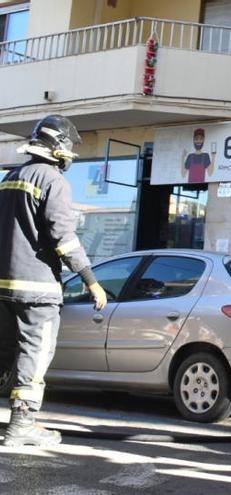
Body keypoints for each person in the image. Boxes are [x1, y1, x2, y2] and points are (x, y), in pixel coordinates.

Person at [0, 115, 107, 448]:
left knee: (4, 353)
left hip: (3, 287)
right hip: (37, 289)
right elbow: (63, 237)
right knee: (34, 352)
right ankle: (22, 425)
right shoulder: (53, 180)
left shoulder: (10, 178)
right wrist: (91, 280)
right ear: (58, 146)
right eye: (69, 146)